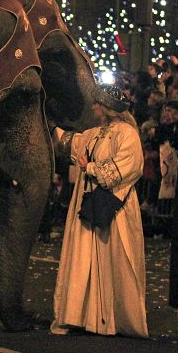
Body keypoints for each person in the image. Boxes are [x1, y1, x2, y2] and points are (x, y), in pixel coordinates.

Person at [51, 84, 148, 338]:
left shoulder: (127, 134)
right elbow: (71, 142)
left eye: (96, 103)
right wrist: (51, 126)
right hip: (90, 201)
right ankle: (82, 315)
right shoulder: (94, 133)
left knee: (113, 255)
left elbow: (128, 167)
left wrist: (92, 168)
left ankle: (113, 318)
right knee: (86, 256)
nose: (92, 106)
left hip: (115, 206)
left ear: (106, 108)